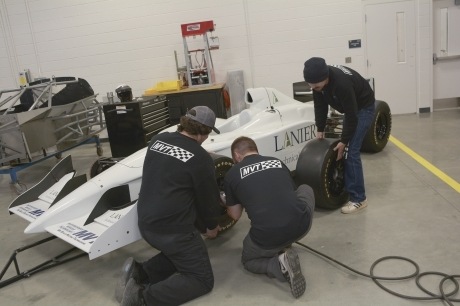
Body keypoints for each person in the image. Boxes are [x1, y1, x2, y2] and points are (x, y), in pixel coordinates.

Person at [115, 106, 223, 306]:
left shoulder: (158, 140)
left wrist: (199, 155)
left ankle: (139, 273)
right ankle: (141, 298)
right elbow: (208, 200)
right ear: (203, 133)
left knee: (188, 254)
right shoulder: (201, 159)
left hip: (147, 222)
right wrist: (211, 225)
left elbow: (175, 163)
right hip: (173, 230)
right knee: (201, 278)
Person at [222, 136, 315, 299]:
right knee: (305, 188)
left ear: (237, 155)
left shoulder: (231, 174)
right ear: (255, 149)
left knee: (248, 260)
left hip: (268, 239)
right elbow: (289, 194)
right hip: (302, 225)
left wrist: (227, 200)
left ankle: (278, 265)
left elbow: (235, 214)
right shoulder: (276, 161)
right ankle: (286, 245)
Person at [303, 57, 375, 214]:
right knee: (346, 145)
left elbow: (351, 114)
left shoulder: (341, 84)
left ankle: (359, 199)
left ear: (325, 77)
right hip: (351, 107)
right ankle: (351, 185)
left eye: (316, 86)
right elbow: (320, 104)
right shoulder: (318, 83)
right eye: (311, 86)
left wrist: (344, 141)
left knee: (351, 150)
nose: (313, 88)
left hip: (363, 108)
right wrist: (320, 128)